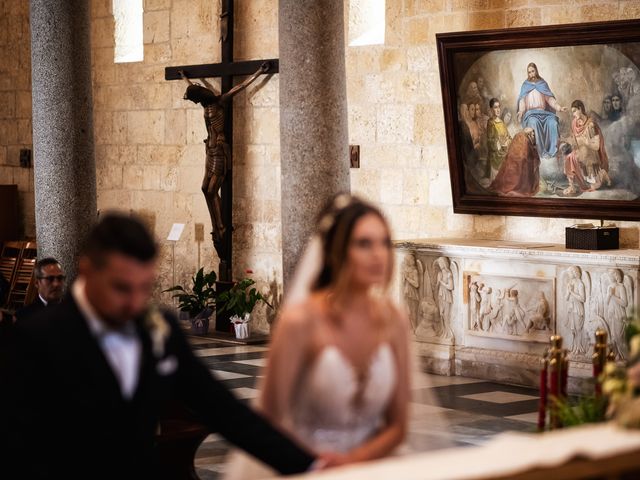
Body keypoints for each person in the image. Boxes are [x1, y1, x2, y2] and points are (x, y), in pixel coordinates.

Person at [0, 213, 331, 479]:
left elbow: (223, 410)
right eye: (121, 288)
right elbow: (17, 443)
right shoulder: (36, 337)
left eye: (144, 288)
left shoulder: (159, 329)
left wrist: (310, 465)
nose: (134, 303)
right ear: (88, 270)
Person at [225, 194, 411, 479]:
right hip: (304, 466)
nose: (378, 254)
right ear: (337, 251)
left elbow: (398, 426)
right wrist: (316, 465)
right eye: (364, 243)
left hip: (372, 465)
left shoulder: (393, 320)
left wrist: (354, 462)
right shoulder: (301, 321)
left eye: (384, 242)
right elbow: (272, 419)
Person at [181, 62, 269, 243]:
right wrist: (184, 77)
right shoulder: (205, 105)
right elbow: (192, 87)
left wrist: (259, 71)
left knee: (213, 189)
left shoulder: (221, 101)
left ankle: (220, 226)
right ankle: (216, 225)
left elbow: (242, 86)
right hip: (210, 149)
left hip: (220, 150)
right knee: (204, 189)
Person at [516, 62, 567, 157]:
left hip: (544, 113)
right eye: (529, 72)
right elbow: (522, 101)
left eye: (532, 71)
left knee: (553, 123)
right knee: (534, 123)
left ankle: (553, 151)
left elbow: (550, 99)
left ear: (536, 71)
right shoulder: (525, 85)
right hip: (531, 114)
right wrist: (521, 111)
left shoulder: (542, 84)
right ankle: (540, 153)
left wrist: (559, 107)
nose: (531, 74)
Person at [564, 99, 611, 194]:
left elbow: (596, 146)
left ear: (580, 109)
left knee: (595, 186)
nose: (573, 114)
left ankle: (603, 174)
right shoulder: (574, 123)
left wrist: (586, 142)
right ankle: (571, 186)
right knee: (569, 158)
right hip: (579, 151)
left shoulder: (590, 124)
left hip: (590, 154)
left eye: (574, 111)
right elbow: (574, 140)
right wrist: (566, 140)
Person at [490, 127, 541, 197]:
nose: (534, 135)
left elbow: (530, 156)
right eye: (532, 134)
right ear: (528, 134)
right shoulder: (524, 140)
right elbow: (524, 157)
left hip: (518, 165)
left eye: (533, 134)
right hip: (516, 169)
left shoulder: (523, 139)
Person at [15, 257, 65, 322]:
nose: (56, 284)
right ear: (37, 283)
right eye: (50, 279)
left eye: (60, 278)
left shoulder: (74, 311)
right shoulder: (24, 316)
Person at [486, 98, 512, 180]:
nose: (498, 110)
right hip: (496, 156)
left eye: (499, 107)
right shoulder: (490, 123)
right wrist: (499, 143)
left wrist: (507, 142)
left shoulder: (501, 122)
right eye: (495, 107)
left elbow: (509, 137)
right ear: (491, 109)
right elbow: (490, 142)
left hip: (504, 152)